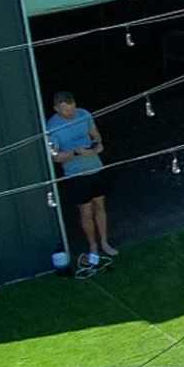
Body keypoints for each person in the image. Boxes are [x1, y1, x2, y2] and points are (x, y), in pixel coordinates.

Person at [46, 92, 113, 272]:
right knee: (86, 211)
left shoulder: (84, 115)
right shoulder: (52, 127)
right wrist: (75, 152)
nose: (70, 113)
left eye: (72, 109)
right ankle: (93, 246)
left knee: (100, 206)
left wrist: (97, 146)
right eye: (65, 111)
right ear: (56, 109)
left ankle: (105, 242)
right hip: (75, 174)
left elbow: (97, 137)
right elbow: (55, 157)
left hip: (95, 168)